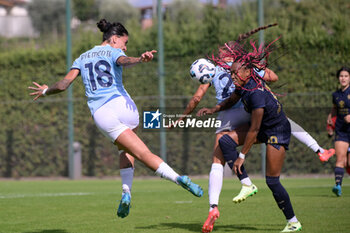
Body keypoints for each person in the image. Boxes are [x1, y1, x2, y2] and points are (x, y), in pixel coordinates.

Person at [28, 19, 203, 218]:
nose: (125, 47)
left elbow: (62, 85)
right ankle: (127, 192)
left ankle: (177, 179)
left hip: (103, 114)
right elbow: (123, 61)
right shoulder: (114, 51)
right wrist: (139, 59)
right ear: (114, 39)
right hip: (125, 107)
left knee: (139, 153)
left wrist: (44, 91)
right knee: (131, 150)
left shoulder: (82, 57)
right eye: (124, 43)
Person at [197, 39, 302, 232]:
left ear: (247, 72)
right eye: (230, 73)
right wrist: (213, 109)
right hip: (264, 128)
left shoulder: (256, 94)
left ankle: (293, 222)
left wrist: (241, 157)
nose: (232, 76)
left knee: (272, 181)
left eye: (235, 73)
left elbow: (254, 130)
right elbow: (230, 101)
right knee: (225, 141)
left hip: (276, 132)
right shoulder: (243, 84)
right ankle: (247, 184)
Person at [327, 66, 350, 196]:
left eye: (346, 76)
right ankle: (338, 186)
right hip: (341, 130)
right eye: (341, 76)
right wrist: (330, 119)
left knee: (349, 162)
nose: (343, 78)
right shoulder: (336, 95)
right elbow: (334, 109)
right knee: (340, 159)